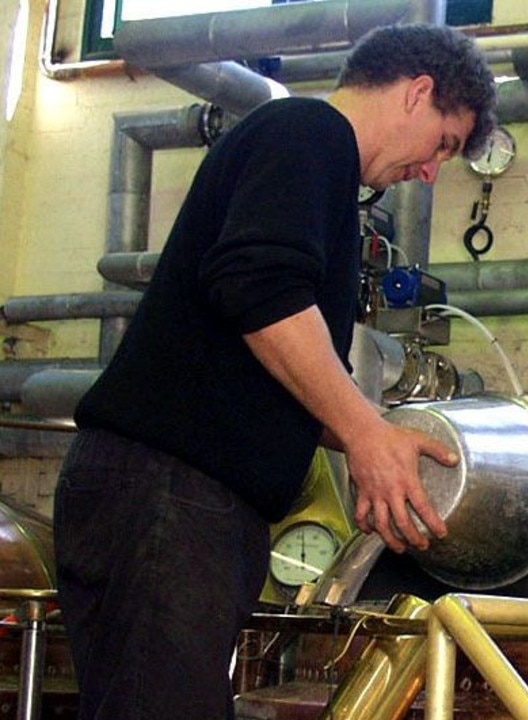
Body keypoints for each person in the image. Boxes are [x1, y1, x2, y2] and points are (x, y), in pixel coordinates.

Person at [52, 23, 497, 719]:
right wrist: (365, 434)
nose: (432, 171)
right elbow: (259, 291)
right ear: (417, 93)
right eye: (444, 143)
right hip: (168, 495)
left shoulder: (318, 164)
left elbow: (277, 361)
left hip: (186, 504)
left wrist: (390, 435)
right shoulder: (308, 132)